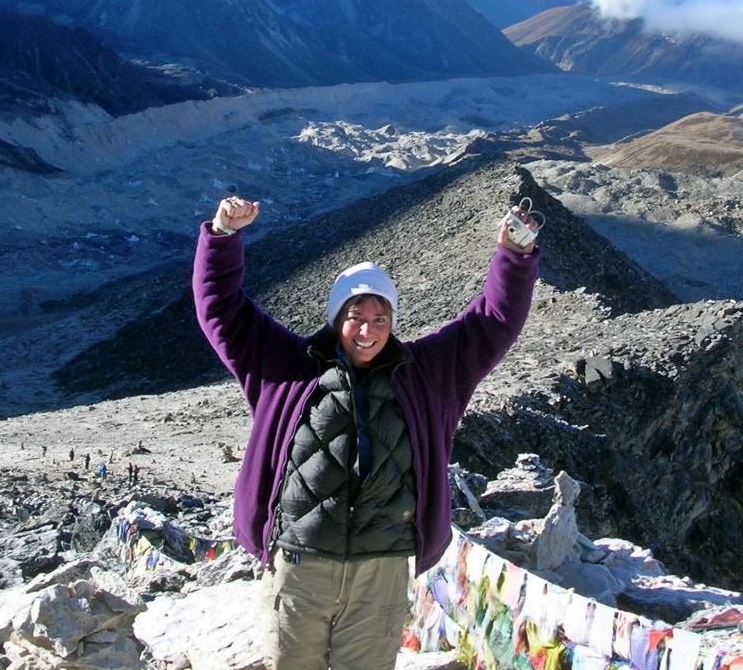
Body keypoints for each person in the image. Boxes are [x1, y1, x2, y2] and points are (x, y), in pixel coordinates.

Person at [193, 192, 540, 670]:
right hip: (299, 564)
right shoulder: (287, 367)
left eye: (380, 319)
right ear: (337, 320)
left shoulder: (427, 374)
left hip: (382, 569)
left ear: (393, 322)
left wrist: (515, 258)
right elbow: (222, 311)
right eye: (355, 318)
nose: (367, 331)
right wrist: (224, 237)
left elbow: (490, 325)